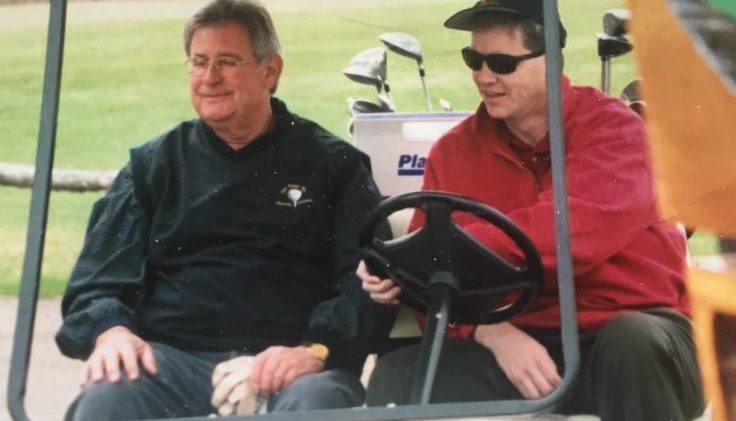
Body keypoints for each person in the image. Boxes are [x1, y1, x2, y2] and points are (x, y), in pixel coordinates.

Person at [358, 1, 705, 420]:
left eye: (502, 63)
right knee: (397, 376)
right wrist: (485, 328)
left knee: (631, 340)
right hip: (520, 341)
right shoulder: (452, 153)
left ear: (552, 60)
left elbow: (566, 233)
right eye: (475, 59)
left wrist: (430, 254)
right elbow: (434, 287)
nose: (484, 77)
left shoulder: (618, 132)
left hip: (635, 333)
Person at [55, 0, 382, 419]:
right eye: (198, 62)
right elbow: (95, 284)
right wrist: (111, 332)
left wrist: (314, 350)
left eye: (227, 61)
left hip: (291, 366)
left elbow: (367, 283)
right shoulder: (153, 165)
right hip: (171, 365)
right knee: (105, 401)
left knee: (316, 406)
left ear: (270, 71)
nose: (210, 78)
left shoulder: (333, 165)